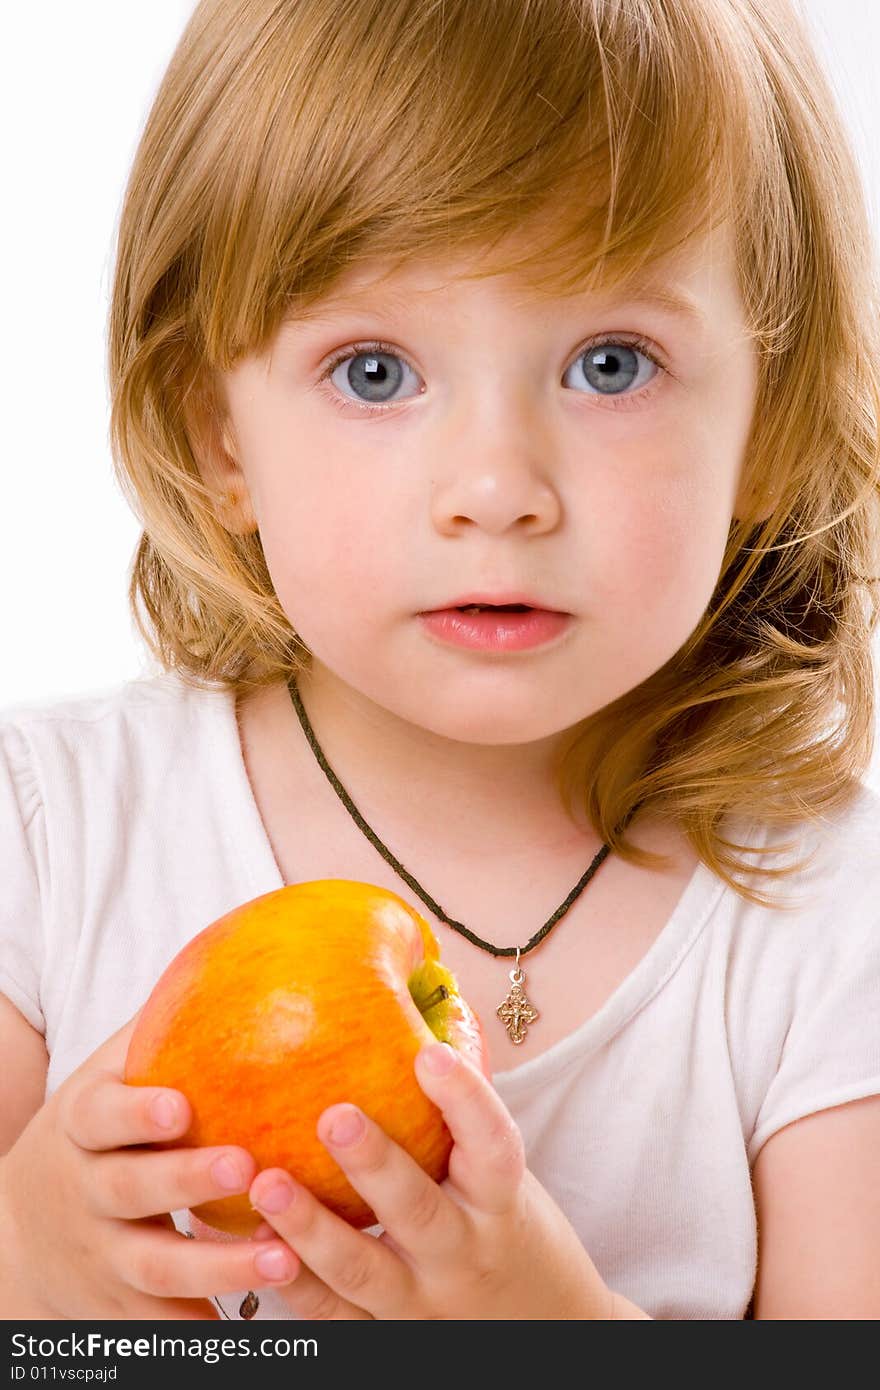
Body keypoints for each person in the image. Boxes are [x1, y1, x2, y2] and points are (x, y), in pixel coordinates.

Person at [1, 0, 879, 1322]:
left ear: (772, 419)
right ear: (216, 433)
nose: (495, 488)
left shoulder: (825, 921)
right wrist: (30, 1271)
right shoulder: (52, 830)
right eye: (372, 370)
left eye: (610, 361)